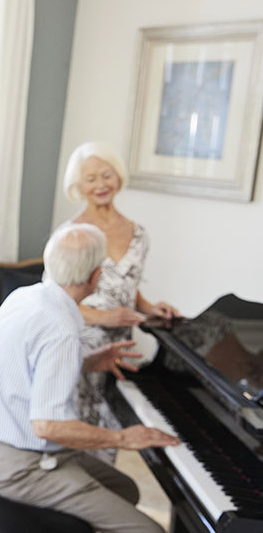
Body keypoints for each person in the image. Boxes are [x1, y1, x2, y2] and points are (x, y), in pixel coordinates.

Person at [0, 223, 179, 533]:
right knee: (150, 530)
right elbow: (48, 426)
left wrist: (88, 362)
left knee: (126, 490)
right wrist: (123, 438)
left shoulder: (25, 297)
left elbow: (28, 369)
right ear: (97, 275)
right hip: (22, 467)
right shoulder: (61, 328)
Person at [61, 141, 180, 462]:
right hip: (82, 347)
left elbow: (128, 287)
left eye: (106, 175)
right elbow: (55, 303)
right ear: (78, 185)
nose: (100, 185)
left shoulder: (138, 233)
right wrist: (105, 318)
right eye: (90, 178)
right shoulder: (72, 235)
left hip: (120, 351)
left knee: (111, 434)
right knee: (79, 435)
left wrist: (150, 307)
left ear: (119, 177)